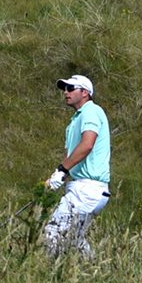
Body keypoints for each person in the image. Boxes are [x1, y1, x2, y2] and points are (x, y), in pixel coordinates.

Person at [42, 74, 111, 256]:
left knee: (53, 232)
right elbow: (71, 156)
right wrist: (58, 178)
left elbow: (87, 144)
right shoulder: (74, 121)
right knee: (75, 240)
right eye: (65, 89)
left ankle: (49, 276)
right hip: (84, 188)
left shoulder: (91, 111)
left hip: (88, 188)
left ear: (85, 93)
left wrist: (61, 170)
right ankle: (96, 272)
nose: (66, 92)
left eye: (71, 88)